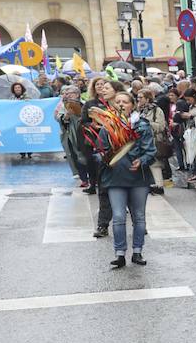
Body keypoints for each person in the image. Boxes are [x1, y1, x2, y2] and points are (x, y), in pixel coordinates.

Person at [92, 91, 154, 268]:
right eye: (117, 101)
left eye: (125, 102)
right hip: (115, 178)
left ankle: (137, 251)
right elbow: (98, 152)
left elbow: (150, 151)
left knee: (139, 217)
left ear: (132, 105)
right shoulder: (107, 126)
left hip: (138, 178)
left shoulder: (142, 125)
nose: (121, 104)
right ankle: (120, 254)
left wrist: (141, 161)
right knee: (118, 216)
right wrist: (105, 159)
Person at [83, 76, 118, 236]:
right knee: (103, 191)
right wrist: (94, 125)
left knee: (128, 191)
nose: (103, 88)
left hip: (122, 153)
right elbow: (83, 122)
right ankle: (102, 225)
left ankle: (139, 222)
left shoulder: (121, 105)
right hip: (104, 152)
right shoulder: (92, 105)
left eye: (106, 86)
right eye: (100, 86)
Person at [135, 89, 169, 194]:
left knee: (155, 163)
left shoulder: (156, 110)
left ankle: (159, 186)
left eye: (141, 97)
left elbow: (161, 126)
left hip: (153, 140)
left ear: (148, 98)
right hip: (140, 140)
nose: (138, 99)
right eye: (138, 97)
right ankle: (150, 184)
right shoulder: (137, 110)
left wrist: (146, 123)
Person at [55, 84, 90, 186]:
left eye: (71, 93)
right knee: (75, 155)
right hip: (70, 134)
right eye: (67, 94)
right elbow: (59, 118)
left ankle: (91, 176)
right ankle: (83, 179)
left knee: (86, 154)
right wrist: (66, 116)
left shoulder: (84, 104)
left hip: (83, 133)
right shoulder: (63, 106)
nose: (69, 95)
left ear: (77, 94)